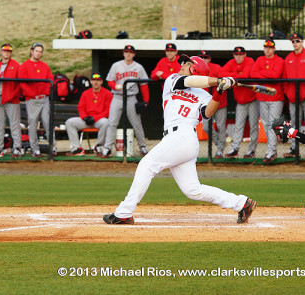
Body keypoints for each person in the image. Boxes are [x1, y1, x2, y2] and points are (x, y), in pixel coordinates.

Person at [103, 55, 257, 225]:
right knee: (193, 190)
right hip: (174, 138)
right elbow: (191, 81)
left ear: (196, 68)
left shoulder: (204, 95)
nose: (182, 65)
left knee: (147, 165)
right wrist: (219, 81)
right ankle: (242, 203)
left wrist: (219, 92)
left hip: (184, 136)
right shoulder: (173, 80)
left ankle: (123, 213)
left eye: (187, 64)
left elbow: (207, 113)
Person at [102, 45, 150, 158]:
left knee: (136, 123)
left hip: (131, 97)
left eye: (130, 52)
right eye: (126, 52)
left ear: (134, 54)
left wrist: (146, 100)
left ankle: (142, 147)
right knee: (112, 122)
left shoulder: (138, 67)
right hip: (117, 96)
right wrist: (115, 86)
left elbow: (144, 84)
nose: (128, 54)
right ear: (123, 53)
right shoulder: (116, 65)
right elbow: (109, 81)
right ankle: (107, 148)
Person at [282, 33, 305, 158]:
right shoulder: (288, 58)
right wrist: (289, 93)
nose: (295, 43)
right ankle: (294, 148)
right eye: (293, 41)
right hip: (293, 97)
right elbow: (285, 78)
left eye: (297, 41)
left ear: (302, 42)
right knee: (294, 124)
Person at [219, 46, 258, 159]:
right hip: (240, 100)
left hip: (252, 99)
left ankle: (251, 150)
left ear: (245, 55)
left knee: (254, 125)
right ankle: (234, 149)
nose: (238, 57)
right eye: (236, 54)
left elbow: (246, 75)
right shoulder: (231, 62)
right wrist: (236, 76)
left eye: (240, 54)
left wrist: (231, 76)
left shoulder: (249, 61)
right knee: (238, 125)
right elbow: (221, 73)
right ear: (233, 55)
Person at [19, 42, 56, 158]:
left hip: (43, 98)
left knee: (47, 123)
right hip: (32, 99)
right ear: (31, 51)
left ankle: (52, 147)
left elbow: (50, 80)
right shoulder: (24, 65)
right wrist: (32, 93)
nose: (38, 53)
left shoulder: (45, 66)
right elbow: (22, 83)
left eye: (40, 51)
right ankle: (35, 149)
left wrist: (44, 92)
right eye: (36, 51)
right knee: (32, 124)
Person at [250, 39, 284, 163]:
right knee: (265, 124)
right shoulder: (259, 60)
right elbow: (253, 74)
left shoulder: (279, 60)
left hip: (276, 97)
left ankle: (271, 151)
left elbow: (276, 75)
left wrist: (262, 74)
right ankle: (272, 151)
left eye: (270, 47)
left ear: (274, 49)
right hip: (262, 97)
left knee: (272, 125)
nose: (268, 50)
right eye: (266, 47)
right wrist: (268, 74)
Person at [65, 73, 113, 156]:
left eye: (98, 80)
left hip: (99, 120)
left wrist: (95, 118)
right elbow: (81, 108)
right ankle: (77, 148)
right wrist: (85, 118)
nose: (96, 82)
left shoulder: (108, 93)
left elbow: (108, 111)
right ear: (91, 81)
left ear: (101, 82)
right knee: (69, 122)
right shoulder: (85, 93)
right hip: (86, 120)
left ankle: (99, 146)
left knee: (106, 122)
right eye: (94, 80)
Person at [0, 44, 22, 158]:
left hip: (11, 100)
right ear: (1, 52)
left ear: (11, 53)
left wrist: (13, 95)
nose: (6, 53)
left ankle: (17, 148)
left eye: (9, 51)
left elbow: (19, 83)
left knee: (14, 125)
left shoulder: (16, 65)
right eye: (5, 51)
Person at [198, 50, 227, 158]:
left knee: (220, 126)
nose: (203, 59)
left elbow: (223, 80)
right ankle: (220, 144)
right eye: (201, 57)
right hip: (206, 103)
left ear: (209, 58)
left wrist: (214, 80)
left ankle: (220, 150)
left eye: (205, 57)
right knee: (206, 127)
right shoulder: (197, 69)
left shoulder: (216, 67)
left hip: (220, 103)